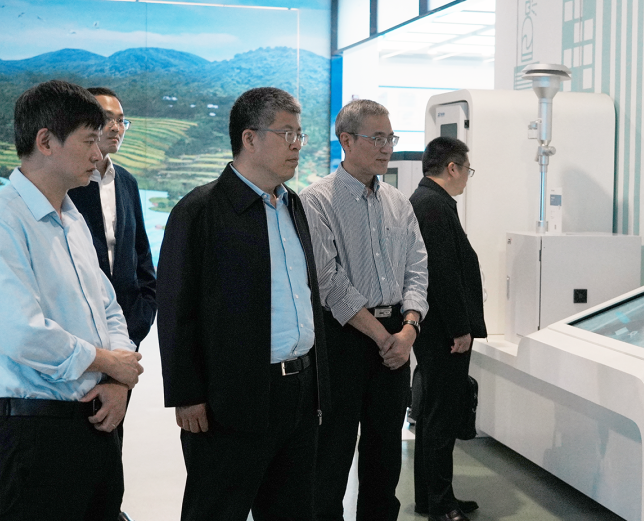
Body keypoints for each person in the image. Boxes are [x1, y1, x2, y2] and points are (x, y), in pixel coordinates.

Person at [0, 80, 144, 521]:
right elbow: (22, 334)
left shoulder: (71, 218)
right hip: (38, 433)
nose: (98, 154)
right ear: (45, 141)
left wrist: (117, 378)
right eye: (88, 141)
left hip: (98, 420)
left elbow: (109, 307)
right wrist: (108, 361)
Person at [156, 86, 330, 521]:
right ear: (249, 138)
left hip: (299, 392)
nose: (297, 144)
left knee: (293, 510)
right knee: (217, 509)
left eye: (300, 134)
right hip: (231, 398)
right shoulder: (200, 210)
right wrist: (187, 395)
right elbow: (176, 310)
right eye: (286, 133)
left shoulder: (293, 205)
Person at [301, 99, 428, 521]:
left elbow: (417, 268)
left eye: (391, 138)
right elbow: (328, 280)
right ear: (347, 140)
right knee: (331, 454)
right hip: (344, 338)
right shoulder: (317, 200)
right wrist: (383, 336)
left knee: (385, 454)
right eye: (377, 138)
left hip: (397, 338)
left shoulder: (398, 202)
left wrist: (409, 329)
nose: (386, 147)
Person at [408, 137, 486, 521]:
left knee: (431, 415)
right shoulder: (434, 206)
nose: (468, 177)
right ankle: (441, 504)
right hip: (443, 332)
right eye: (467, 169)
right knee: (440, 417)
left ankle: (432, 497)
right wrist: (459, 328)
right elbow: (442, 274)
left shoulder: (426, 201)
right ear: (452, 168)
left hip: (434, 329)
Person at [68, 87, 157, 350]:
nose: (116, 128)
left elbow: (141, 255)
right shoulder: (66, 183)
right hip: (77, 335)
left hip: (128, 332)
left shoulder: (127, 182)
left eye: (121, 120)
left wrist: (143, 316)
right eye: (107, 118)